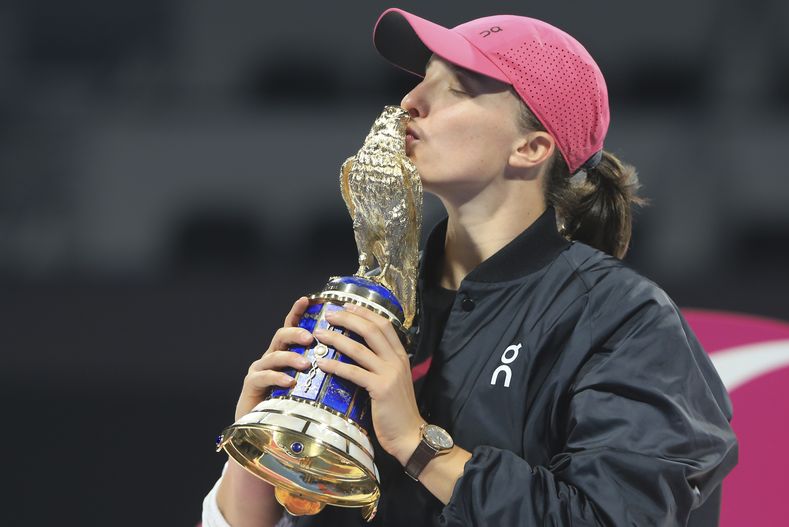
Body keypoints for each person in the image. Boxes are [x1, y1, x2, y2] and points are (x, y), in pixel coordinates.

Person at [202, 7, 738, 526]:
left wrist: (419, 445)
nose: (410, 101)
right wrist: (261, 441)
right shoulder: (375, 306)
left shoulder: (624, 320)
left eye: (455, 89)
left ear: (530, 147)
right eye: (420, 81)